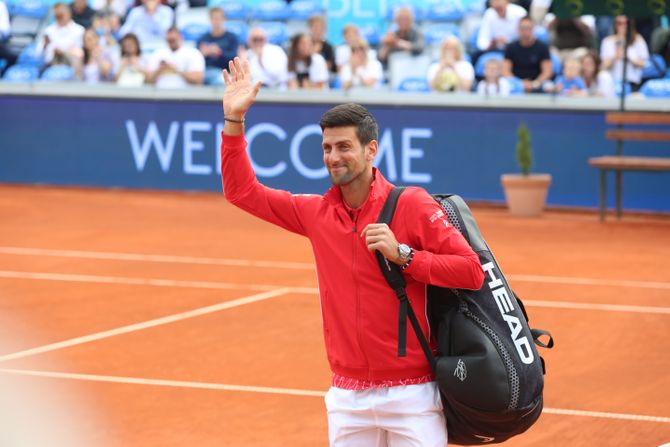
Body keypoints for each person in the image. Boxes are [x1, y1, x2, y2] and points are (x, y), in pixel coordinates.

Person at [220, 56, 485, 447]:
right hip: (347, 396)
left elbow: (471, 271)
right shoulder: (315, 213)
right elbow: (242, 192)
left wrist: (406, 256)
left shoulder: (412, 203)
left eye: (344, 146)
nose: (333, 157)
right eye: (327, 147)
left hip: (411, 393)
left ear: (370, 149)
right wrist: (233, 122)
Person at [503, 16, 553, 93]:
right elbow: (506, 71)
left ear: (533, 29)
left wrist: (535, 83)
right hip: (515, 84)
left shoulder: (542, 47)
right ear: (518, 29)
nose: (525, 32)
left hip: (538, 83)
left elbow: (547, 72)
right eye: (522, 28)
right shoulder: (510, 47)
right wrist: (519, 83)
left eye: (528, 28)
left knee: (549, 87)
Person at [599, 15, 649, 91]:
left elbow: (644, 63)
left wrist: (628, 56)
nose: (622, 26)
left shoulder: (638, 39)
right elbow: (603, 66)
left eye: (625, 23)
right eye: (619, 23)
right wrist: (615, 56)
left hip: (632, 82)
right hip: (613, 83)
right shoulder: (607, 41)